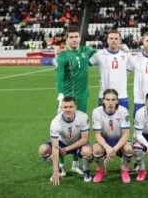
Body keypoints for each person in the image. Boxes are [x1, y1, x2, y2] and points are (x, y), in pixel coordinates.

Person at [55, 25, 97, 175]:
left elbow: (104, 54)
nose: (74, 39)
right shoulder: (62, 56)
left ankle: (75, 164)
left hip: (82, 98)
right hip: (67, 100)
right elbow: (59, 77)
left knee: (78, 133)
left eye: (76, 37)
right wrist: (60, 96)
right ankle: (61, 165)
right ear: (66, 40)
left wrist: (124, 50)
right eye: (71, 37)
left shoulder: (86, 51)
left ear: (80, 38)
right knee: (63, 133)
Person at [38, 96, 93, 185]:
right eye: (65, 107)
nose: (68, 110)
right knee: (43, 149)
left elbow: (84, 139)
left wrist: (67, 149)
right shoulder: (55, 122)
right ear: (61, 108)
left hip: (77, 143)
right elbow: (55, 147)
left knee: (88, 151)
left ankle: (86, 171)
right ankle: (58, 169)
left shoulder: (83, 117)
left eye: (71, 107)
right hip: (62, 143)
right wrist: (55, 170)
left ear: (75, 107)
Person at [92, 89, 133, 184]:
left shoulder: (123, 111)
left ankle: (124, 169)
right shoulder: (96, 112)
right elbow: (97, 135)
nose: (110, 102)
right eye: (108, 99)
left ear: (117, 101)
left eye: (113, 100)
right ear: (103, 101)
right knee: (97, 149)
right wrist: (107, 147)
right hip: (105, 142)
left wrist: (114, 148)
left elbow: (126, 134)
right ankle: (102, 170)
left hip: (120, 142)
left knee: (129, 149)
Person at [89, 30, 132, 108]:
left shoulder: (126, 55)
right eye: (111, 38)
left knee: (123, 120)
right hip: (104, 96)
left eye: (116, 38)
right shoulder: (99, 54)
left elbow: (134, 66)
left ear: (120, 41)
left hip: (122, 96)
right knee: (103, 119)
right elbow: (85, 65)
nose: (113, 40)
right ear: (107, 40)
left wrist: (128, 52)